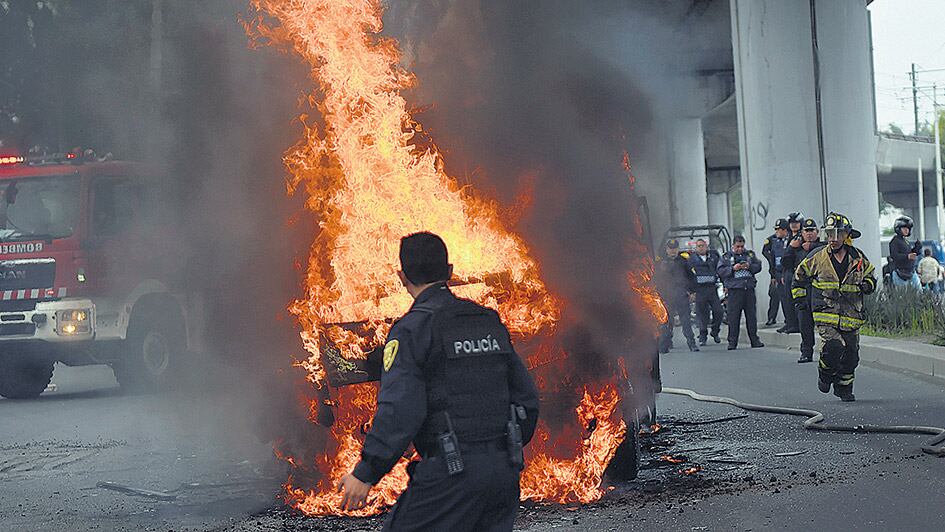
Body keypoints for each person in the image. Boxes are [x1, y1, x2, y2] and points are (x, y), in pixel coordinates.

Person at [336, 232, 540, 530]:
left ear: (402, 277)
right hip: (504, 472)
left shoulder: (412, 330)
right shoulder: (487, 321)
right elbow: (527, 399)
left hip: (452, 472)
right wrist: (500, 452)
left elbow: (400, 409)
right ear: (450, 272)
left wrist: (367, 472)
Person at [793, 213, 876, 402]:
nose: (833, 239)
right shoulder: (817, 257)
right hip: (825, 314)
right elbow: (798, 278)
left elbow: (871, 277)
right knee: (834, 346)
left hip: (851, 316)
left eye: (838, 234)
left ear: (847, 235)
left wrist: (868, 285)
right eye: (830, 234)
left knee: (851, 355)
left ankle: (844, 388)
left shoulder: (858, 257)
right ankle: (825, 373)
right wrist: (801, 302)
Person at [787, 219, 825, 363]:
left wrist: (813, 246)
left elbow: (826, 248)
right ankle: (806, 352)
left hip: (819, 292)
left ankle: (827, 354)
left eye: (812, 231)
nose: (809, 234)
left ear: (817, 233)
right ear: (801, 233)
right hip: (803, 291)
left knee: (825, 326)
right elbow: (785, 263)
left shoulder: (823, 247)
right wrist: (791, 247)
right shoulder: (797, 248)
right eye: (806, 231)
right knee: (805, 324)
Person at [717, 235, 764, 350]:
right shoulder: (727, 257)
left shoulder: (750, 255)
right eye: (737, 246)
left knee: (751, 317)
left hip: (748, 289)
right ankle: (732, 342)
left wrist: (749, 266)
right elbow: (720, 271)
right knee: (733, 317)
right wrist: (733, 268)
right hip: (734, 291)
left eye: (742, 246)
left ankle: (754, 340)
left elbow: (758, 266)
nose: (740, 249)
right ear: (733, 246)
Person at [655, 239, 698, 353]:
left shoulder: (684, 261)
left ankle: (692, 344)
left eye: (674, 249)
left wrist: (692, 291)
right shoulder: (660, 263)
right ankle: (665, 345)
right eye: (670, 249)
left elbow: (691, 277)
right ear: (667, 249)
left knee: (686, 321)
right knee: (666, 322)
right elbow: (656, 279)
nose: (673, 251)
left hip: (681, 294)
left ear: (678, 249)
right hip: (667, 295)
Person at [686, 238, 723, 345]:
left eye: (703, 245)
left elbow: (720, 270)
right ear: (696, 248)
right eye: (699, 246)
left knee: (719, 311)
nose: (701, 248)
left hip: (712, 288)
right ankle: (703, 335)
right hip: (700, 290)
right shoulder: (692, 260)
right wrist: (691, 291)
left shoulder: (714, 257)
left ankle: (715, 331)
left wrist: (724, 284)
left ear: (706, 246)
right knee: (702, 314)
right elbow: (688, 276)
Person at [778, 212, 805, 333]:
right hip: (788, 271)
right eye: (792, 223)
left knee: (797, 299)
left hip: (797, 270)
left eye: (796, 223)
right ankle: (790, 323)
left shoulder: (802, 236)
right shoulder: (788, 237)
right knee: (787, 299)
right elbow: (785, 257)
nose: (794, 225)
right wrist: (784, 273)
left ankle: (798, 324)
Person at [761, 218, 788, 326]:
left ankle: (788, 319)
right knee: (774, 294)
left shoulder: (790, 240)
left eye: (779, 230)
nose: (777, 232)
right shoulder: (771, 240)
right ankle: (771, 317)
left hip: (786, 271)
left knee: (786, 297)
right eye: (776, 230)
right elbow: (765, 252)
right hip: (775, 272)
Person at [888, 216, 921, 289]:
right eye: (904, 228)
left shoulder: (905, 241)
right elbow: (894, 255)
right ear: (898, 229)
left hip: (911, 272)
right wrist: (907, 256)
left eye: (908, 228)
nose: (907, 230)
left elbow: (909, 253)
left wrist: (916, 249)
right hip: (900, 273)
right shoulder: (895, 241)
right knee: (903, 295)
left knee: (919, 293)